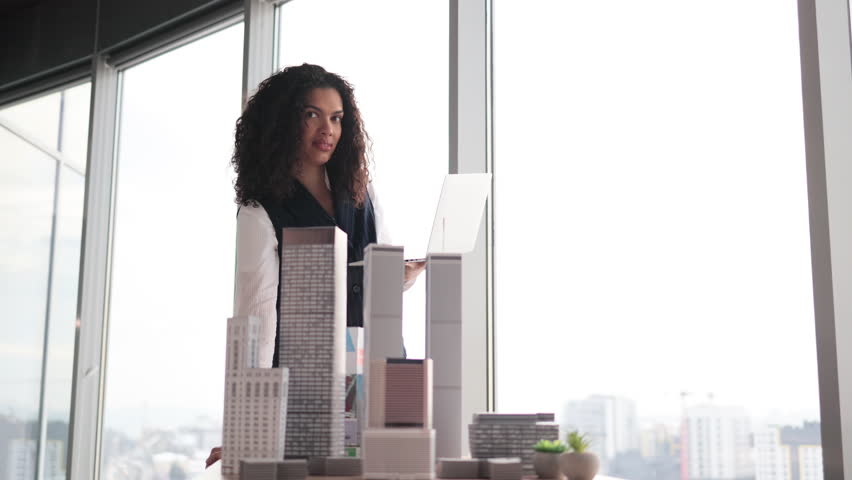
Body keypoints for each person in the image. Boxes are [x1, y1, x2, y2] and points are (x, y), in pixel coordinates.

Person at [206, 63, 425, 468]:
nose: (328, 130)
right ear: (282, 123)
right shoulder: (260, 211)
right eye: (312, 115)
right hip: (309, 390)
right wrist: (246, 429)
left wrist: (403, 276)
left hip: (376, 372)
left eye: (337, 118)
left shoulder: (362, 191)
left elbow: (377, 276)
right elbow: (257, 321)